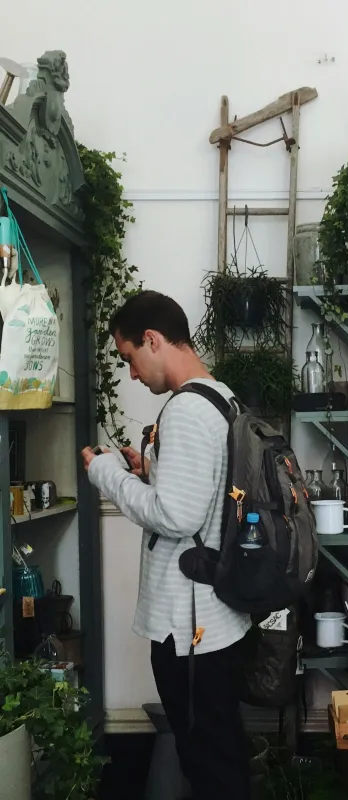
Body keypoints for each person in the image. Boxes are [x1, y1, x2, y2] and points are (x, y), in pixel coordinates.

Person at [81, 290, 251, 800]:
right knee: (221, 753)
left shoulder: (185, 411)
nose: (131, 374)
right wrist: (151, 468)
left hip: (190, 628)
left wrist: (106, 474)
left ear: (152, 340)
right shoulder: (220, 396)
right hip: (215, 619)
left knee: (210, 765)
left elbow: (176, 516)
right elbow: (202, 493)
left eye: (130, 357)